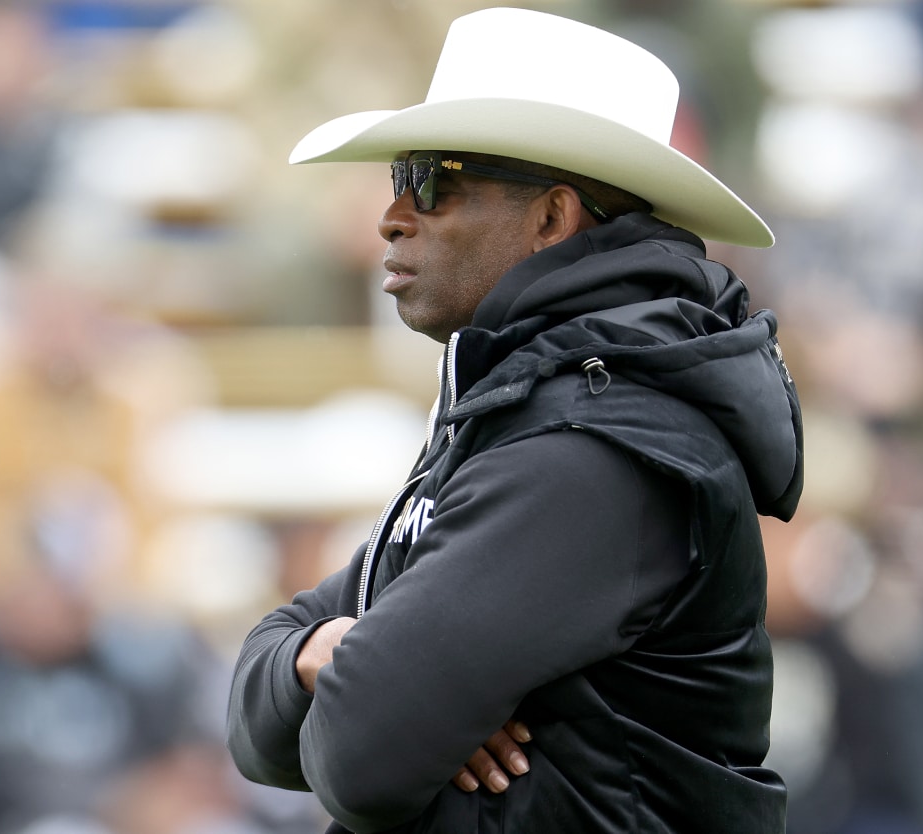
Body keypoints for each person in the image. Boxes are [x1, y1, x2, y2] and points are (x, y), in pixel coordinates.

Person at [226, 8, 804, 833]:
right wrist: (329, 656)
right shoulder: (528, 407)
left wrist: (364, 677)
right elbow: (263, 702)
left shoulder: (598, 444)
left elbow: (360, 761)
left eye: (432, 179)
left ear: (552, 218)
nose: (391, 214)